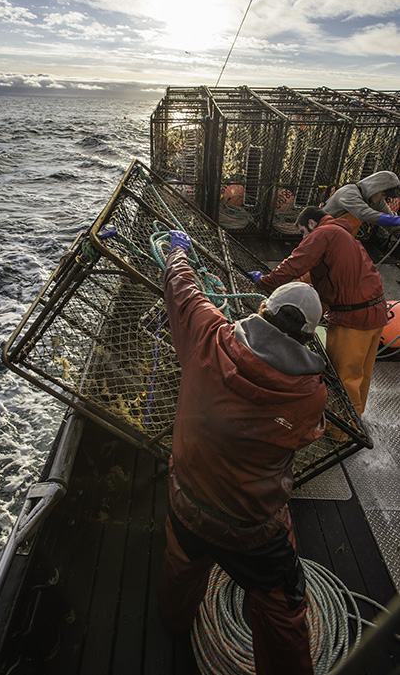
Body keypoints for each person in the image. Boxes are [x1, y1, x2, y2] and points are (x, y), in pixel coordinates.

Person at [158, 229, 327, 675]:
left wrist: (178, 250)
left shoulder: (208, 336)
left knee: (181, 568)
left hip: (187, 500)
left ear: (262, 310)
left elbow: (182, 287)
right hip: (253, 528)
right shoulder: (311, 394)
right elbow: (308, 435)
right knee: (285, 610)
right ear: (308, 340)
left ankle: (173, 629)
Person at [249, 207, 388, 417]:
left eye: (303, 232)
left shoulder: (322, 234)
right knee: (362, 374)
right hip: (376, 311)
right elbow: (313, 276)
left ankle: (341, 432)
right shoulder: (343, 236)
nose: (304, 238)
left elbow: (295, 264)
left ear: (312, 224)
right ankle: (357, 420)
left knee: (343, 377)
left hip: (353, 319)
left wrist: (266, 282)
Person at [321, 170, 400, 237]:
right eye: (383, 195)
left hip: (340, 238)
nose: (383, 199)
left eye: (385, 197)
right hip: (321, 234)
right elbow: (363, 213)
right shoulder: (349, 192)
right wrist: (395, 220)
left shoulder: (375, 200)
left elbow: (391, 220)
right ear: (375, 188)